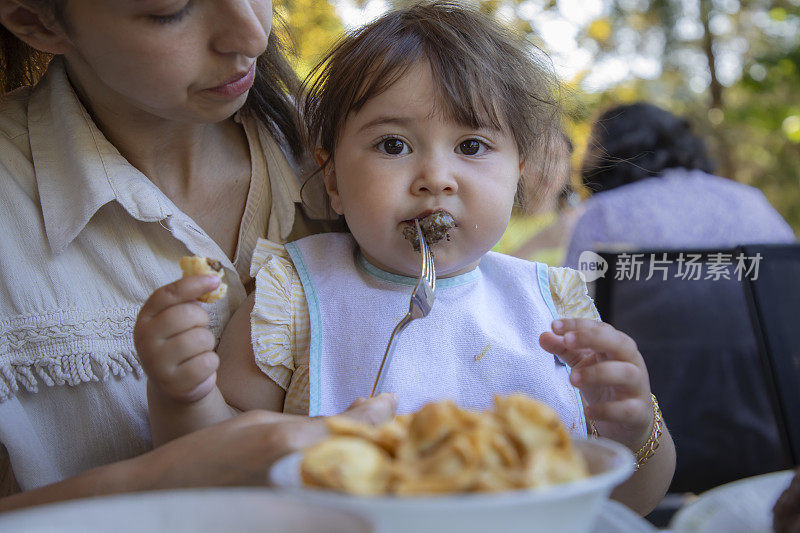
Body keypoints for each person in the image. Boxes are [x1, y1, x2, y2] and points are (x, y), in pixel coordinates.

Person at [135, 2, 676, 515]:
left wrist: (633, 429)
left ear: (518, 174)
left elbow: (632, 502)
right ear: (333, 179)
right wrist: (183, 397)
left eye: (472, 146)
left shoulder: (553, 307)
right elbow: (219, 470)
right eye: (393, 145)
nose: (435, 177)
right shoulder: (294, 297)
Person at [0, 0, 395, 512]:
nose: (253, 36)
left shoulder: (363, 152)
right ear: (38, 19)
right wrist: (156, 484)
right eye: (172, 10)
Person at [564, 102, 795, 268]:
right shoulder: (751, 199)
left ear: (615, 151)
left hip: (643, 337)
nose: (585, 156)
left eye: (593, 144)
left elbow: (569, 310)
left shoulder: (604, 213)